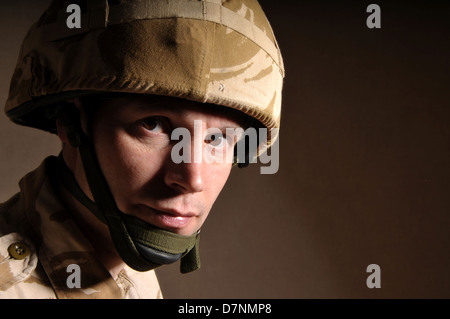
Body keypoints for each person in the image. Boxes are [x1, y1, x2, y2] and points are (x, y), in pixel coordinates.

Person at [0, 0, 284, 299]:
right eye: (154, 125)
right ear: (69, 122)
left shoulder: (124, 268)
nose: (192, 178)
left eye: (217, 139)